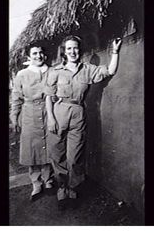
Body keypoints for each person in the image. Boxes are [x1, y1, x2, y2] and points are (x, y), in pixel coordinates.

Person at [45, 35, 122, 210]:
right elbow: (49, 97)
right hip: (59, 112)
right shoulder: (55, 71)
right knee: (57, 154)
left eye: (76, 48)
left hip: (78, 113)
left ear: (80, 50)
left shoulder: (88, 69)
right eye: (69, 48)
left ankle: (73, 187)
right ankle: (62, 188)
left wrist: (115, 52)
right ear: (64, 51)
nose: (73, 51)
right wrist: (50, 117)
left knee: (75, 156)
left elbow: (110, 71)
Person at [10, 40, 54, 201]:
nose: (38, 56)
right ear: (29, 56)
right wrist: (14, 117)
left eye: (41, 52)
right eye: (34, 53)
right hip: (28, 114)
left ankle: (48, 180)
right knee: (32, 149)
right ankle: (36, 183)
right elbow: (16, 98)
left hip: (48, 111)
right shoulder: (22, 75)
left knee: (49, 146)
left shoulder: (51, 71)